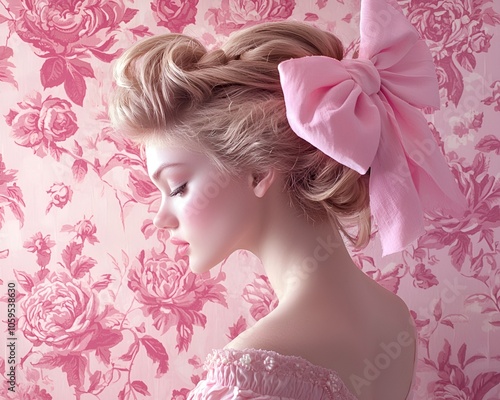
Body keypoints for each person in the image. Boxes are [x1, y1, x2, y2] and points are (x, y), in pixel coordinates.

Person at [108, 0, 467, 398]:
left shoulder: (246, 376)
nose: (160, 218)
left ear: (259, 171)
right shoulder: (393, 319)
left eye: (176, 188)